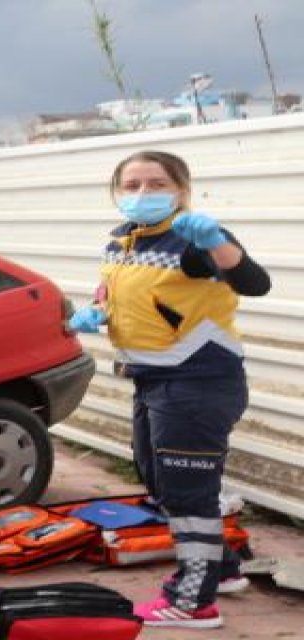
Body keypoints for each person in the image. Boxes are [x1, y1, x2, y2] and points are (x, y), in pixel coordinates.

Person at [68, 150, 270, 629]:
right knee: (160, 481)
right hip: (151, 380)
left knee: (187, 492)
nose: (142, 194)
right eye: (131, 184)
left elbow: (254, 282)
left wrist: (220, 244)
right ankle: (221, 569)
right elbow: (122, 292)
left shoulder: (196, 238)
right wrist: (98, 312)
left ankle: (193, 601)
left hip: (198, 383)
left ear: (181, 189)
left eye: (156, 184)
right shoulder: (123, 240)